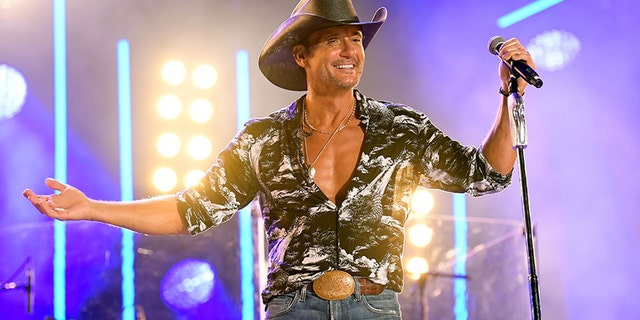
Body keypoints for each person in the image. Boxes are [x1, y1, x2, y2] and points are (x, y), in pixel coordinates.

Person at [23, 0, 536, 318]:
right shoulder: (262, 139)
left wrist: (507, 97)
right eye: (333, 38)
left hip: (374, 308)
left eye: (355, 38)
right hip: (295, 310)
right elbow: (190, 210)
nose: (349, 49)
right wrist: (93, 208)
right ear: (302, 55)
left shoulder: (401, 129)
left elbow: (486, 174)